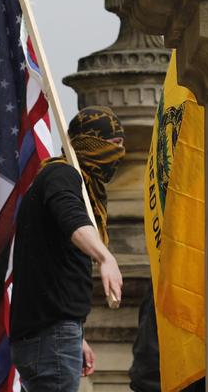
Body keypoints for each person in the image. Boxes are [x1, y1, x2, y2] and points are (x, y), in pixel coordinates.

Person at [9, 106, 127, 392]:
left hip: (52, 334)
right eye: (113, 146)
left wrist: (77, 336)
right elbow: (72, 218)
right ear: (90, 144)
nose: (119, 155)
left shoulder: (60, 181)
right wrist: (105, 256)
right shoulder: (62, 176)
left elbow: (50, 270)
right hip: (51, 338)